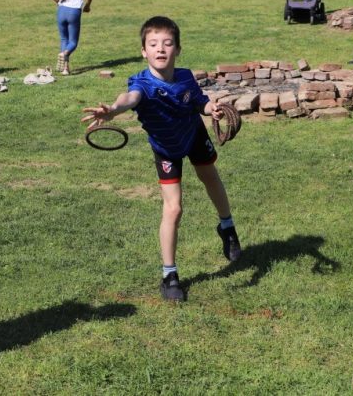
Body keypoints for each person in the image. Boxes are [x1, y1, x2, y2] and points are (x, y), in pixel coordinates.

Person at [81, 16, 241, 302]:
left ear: (177, 49)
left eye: (167, 43)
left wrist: (211, 108)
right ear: (143, 51)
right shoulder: (142, 84)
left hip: (193, 135)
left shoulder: (184, 76)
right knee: (174, 209)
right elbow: (128, 98)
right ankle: (169, 275)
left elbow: (198, 100)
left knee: (210, 179)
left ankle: (227, 227)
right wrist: (114, 110)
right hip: (165, 148)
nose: (160, 49)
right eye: (153, 44)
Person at [45, 0, 93, 76]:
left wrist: (57, 1)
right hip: (74, 12)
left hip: (61, 11)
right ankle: (65, 54)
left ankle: (65, 68)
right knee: (73, 42)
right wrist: (87, 6)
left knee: (64, 39)